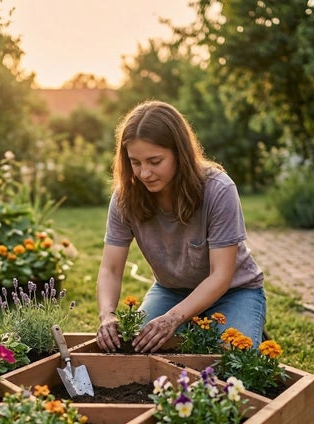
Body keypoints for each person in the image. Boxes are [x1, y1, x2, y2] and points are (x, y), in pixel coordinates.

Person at [96, 100, 266, 354]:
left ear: (180, 153)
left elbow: (221, 276)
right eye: (135, 162)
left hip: (234, 291)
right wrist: (107, 315)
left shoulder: (218, 190)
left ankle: (244, 322)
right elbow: (110, 269)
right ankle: (199, 325)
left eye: (155, 161)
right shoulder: (125, 198)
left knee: (230, 358)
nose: (144, 173)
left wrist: (173, 319)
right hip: (171, 291)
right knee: (138, 348)